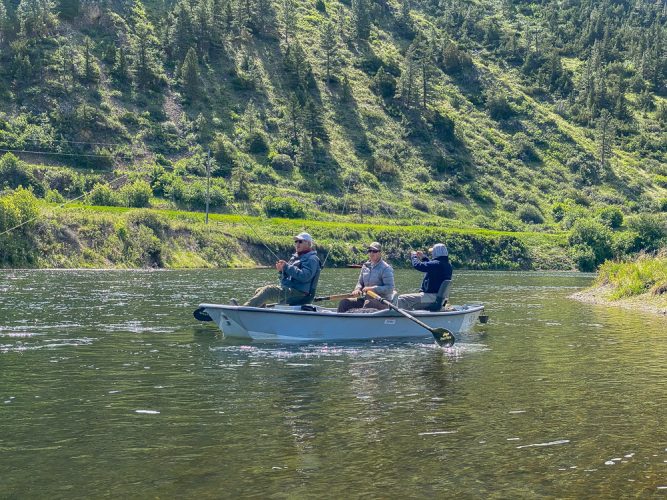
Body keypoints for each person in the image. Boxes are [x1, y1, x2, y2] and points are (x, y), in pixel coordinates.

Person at [243, 232, 322, 308]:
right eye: (296, 241)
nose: (297, 244)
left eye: (300, 241)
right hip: (291, 291)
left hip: (301, 294)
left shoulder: (312, 259)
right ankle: (257, 313)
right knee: (259, 290)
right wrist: (281, 271)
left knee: (268, 290)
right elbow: (284, 281)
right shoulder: (294, 257)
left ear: (308, 243)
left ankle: (244, 309)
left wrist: (286, 267)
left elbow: (305, 276)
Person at [337, 242, 395, 313]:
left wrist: (373, 289)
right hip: (366, 299)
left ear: (380, 253)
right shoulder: (365, 266)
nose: (371, 253)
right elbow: (360, 283)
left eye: (374, 251)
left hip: (383, 302)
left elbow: (390, 288)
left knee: (368, 303)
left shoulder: (386, 268)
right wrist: (357, 289)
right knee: (344, 302)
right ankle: (341, 321)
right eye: (370, 251)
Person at [397, 243, 452, 310]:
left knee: (401, 298)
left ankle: (401, 318)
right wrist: (423, 257)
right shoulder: (447, 265)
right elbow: (431, 266)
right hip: (440, 298)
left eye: (433, 252)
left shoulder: (436, 264)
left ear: (436, 253)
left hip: (431, 297)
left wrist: (414, 256)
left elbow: (418, 265)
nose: (432, 254)